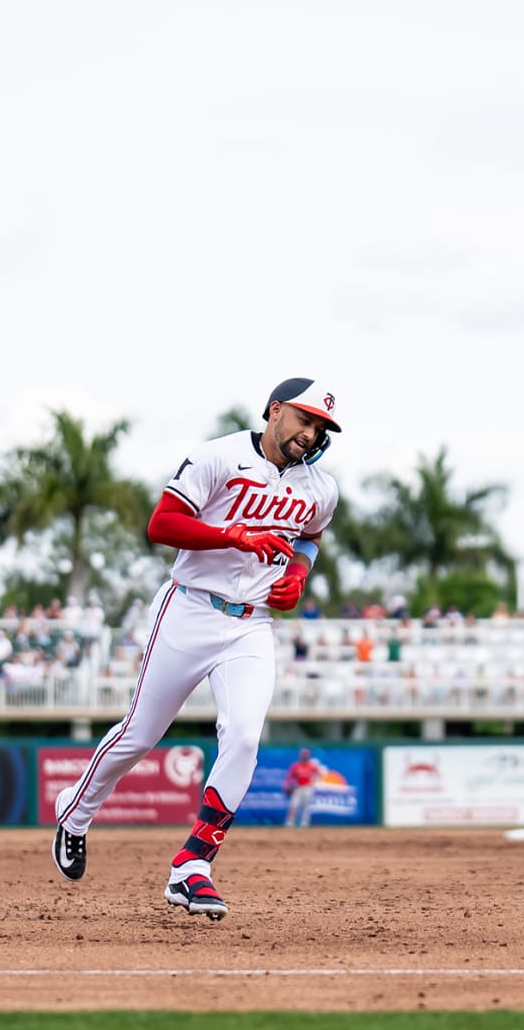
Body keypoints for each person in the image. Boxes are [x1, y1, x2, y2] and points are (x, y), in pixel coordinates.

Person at [49, 378, 342, 922]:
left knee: (245, 736)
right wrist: (236, 536)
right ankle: (76, 811)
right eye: (304, 419)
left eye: (321, 427)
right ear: (275, 411)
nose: (311, 432)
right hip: (189, 608)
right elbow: (161, 525)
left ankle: (193, 863)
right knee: (141, 732)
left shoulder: (320, 487)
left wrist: (298, 575)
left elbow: (312, 537)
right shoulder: (219, 456)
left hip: (252, 625)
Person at [283, 748, 325, 828]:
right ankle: (290, 822)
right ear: (300, 755)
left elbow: (320, 775)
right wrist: (287, 785)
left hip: (308, 788)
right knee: (293, 805)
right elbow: (290, 777)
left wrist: (314, 782)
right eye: (303, 754)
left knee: (306, 806)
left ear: (308, 756)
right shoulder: (296, 766)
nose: (304, 756)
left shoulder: (312, 766)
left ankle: (304, 823)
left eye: (306, 755)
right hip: (298, 787)